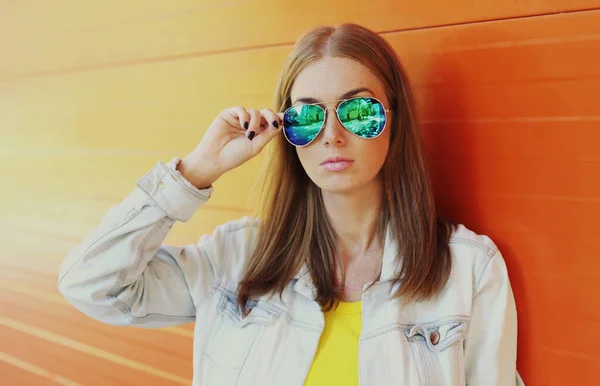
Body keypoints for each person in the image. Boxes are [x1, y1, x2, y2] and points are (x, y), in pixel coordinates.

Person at [58, 23, 524, 386]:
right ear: (286, 132)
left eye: (358, 111)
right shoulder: (238, 258)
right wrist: (195, 171)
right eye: (307, 116)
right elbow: (90, 284)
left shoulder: (468, 270)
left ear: (394, 120)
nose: (332, 136)